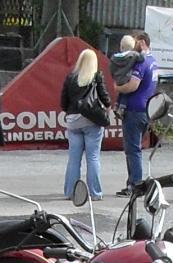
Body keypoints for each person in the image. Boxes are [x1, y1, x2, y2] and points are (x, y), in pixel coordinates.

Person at [62, 48, 111, 200]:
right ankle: (95, 193)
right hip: (91, 121)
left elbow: (63, 103)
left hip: (73, 122)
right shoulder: (96, 77)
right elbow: (105, 99)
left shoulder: (70, 78)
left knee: (74, 159)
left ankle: (70, 192)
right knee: (93, 157)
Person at [114, 31, 158, 191]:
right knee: (134, 148)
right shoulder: (153, 61)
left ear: (141, 42)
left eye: (134, 42)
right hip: (147, 109)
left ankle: (135, 185)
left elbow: (133, 85)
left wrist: (117, 88)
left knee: (132, 150)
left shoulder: (141, 61)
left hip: (134, 110)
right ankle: (133, 182)